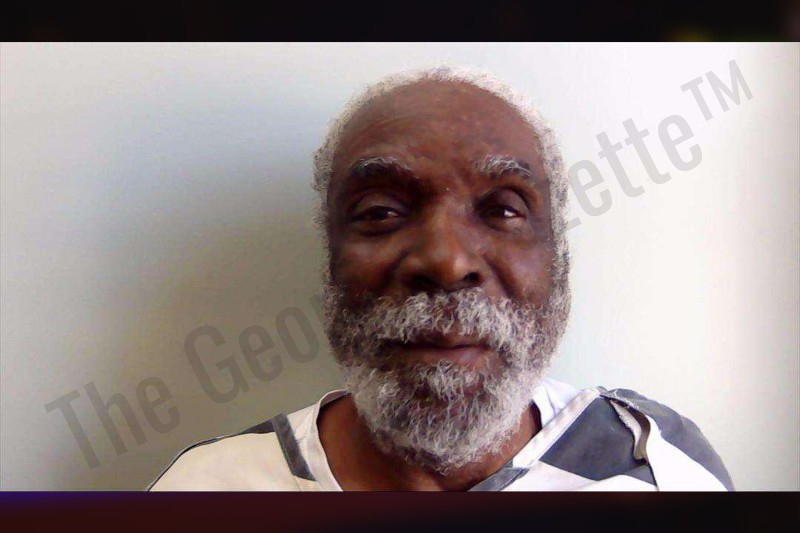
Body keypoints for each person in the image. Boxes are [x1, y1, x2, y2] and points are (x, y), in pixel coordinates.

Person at [148, 66, 733, 491]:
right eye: (381, 211)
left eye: (503, 209)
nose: (448, 263)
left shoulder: (658, 463)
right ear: (331, 262)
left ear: (558, 259)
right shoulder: (208, 489)